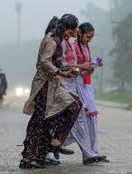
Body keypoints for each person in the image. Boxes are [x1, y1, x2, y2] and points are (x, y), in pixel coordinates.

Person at [19, 14, 82, 169]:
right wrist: (60, 73)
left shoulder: (59, 41)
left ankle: (53, 143)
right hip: (43, 86)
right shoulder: (51, 40)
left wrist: (69, 70)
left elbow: (58, 62)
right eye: (70, 31)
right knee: (39, 121)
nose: (71, 35)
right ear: (65, 28)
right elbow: (45, 62)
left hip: (53, 85)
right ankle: (29, 158)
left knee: (73, 105)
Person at [72, 22, 109, 165]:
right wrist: (84, 67)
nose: (89, 40)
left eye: (91, 38)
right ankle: (88, 153)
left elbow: (86, 64)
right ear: (79, 32)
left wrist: (94, 64)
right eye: (88, 37)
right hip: (77, 85)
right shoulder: (73, 46)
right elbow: (70, 66)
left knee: (91, 119)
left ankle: (92, 152)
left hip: (87, 84)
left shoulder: (85, 46)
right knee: (81, 121)